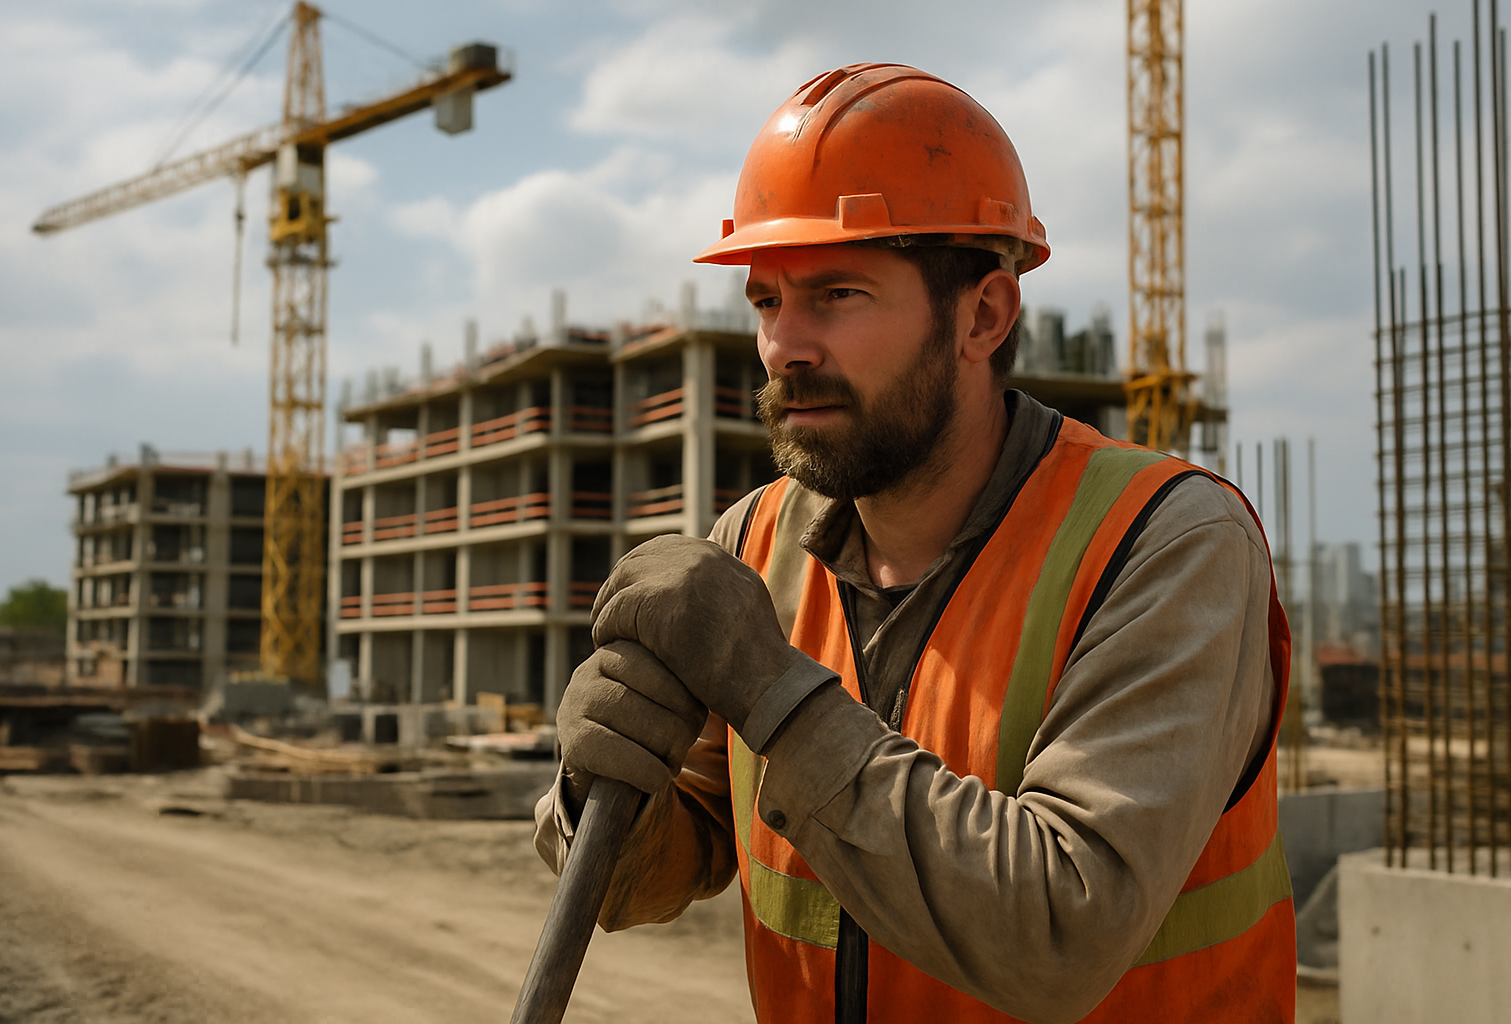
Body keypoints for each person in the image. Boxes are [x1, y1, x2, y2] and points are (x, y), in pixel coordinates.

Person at [535, 63, 1294, 1024]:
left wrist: (771, 689)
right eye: (766, 301)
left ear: (983, 314)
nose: (784, 346)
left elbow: (1059, 934)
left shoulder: (1164, 546)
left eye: (838, 294)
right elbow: (645, 874)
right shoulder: (757, 546)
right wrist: (603, 788)